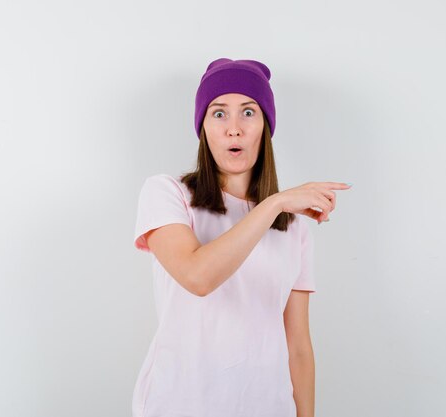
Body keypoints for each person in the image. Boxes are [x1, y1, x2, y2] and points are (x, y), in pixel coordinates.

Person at [131, 57, 351, 417]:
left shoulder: (293, 226)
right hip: (180, 405)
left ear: (265, 125)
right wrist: (275, 203)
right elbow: (198, 277)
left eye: (248, 112)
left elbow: (298, 346)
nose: (234, 128)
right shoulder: (168, 194)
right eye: (219, 113)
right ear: (203, 127)